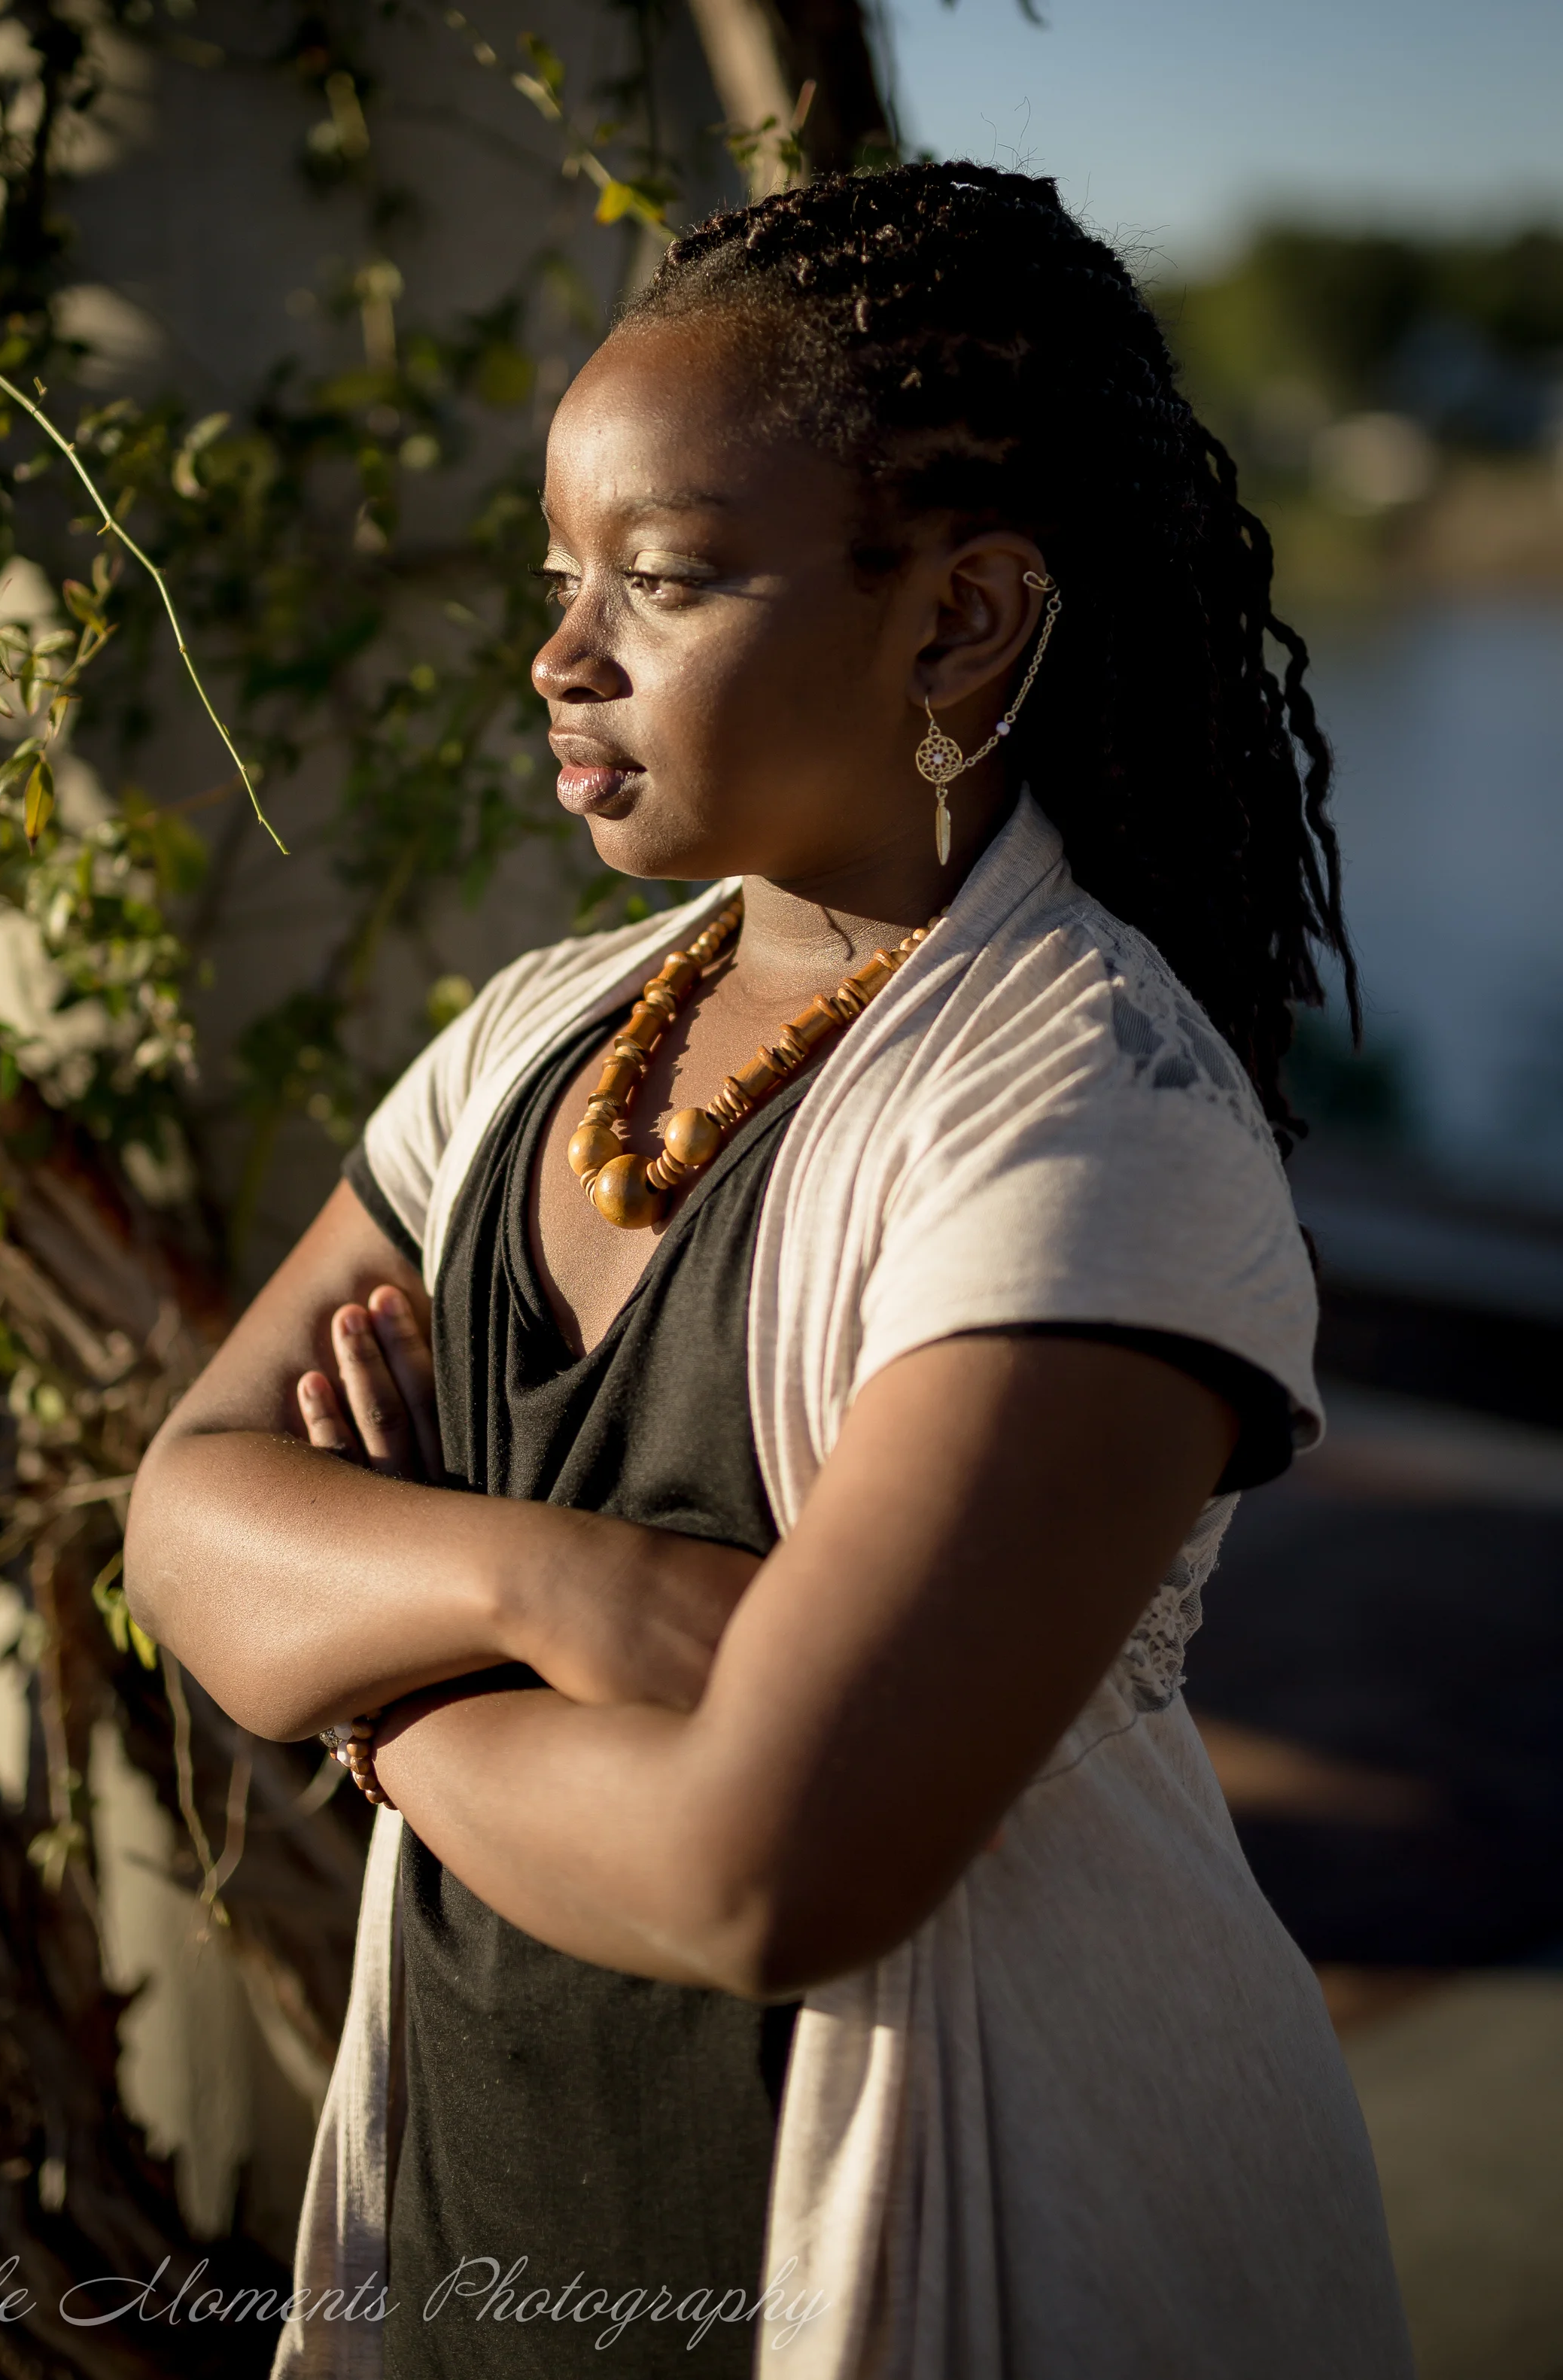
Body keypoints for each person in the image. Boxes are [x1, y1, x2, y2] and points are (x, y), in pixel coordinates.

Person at [123, 162, 1412, 2380]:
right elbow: (183, 1516)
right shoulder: (530, 1036)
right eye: (559, 575)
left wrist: (373, 1686)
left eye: (667, 577)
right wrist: (563, 1594)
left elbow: (762, 1867)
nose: (562, 654)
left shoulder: (1088, 1117)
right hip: (486, 2253)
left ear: (959, 620)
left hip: (982, 2240)